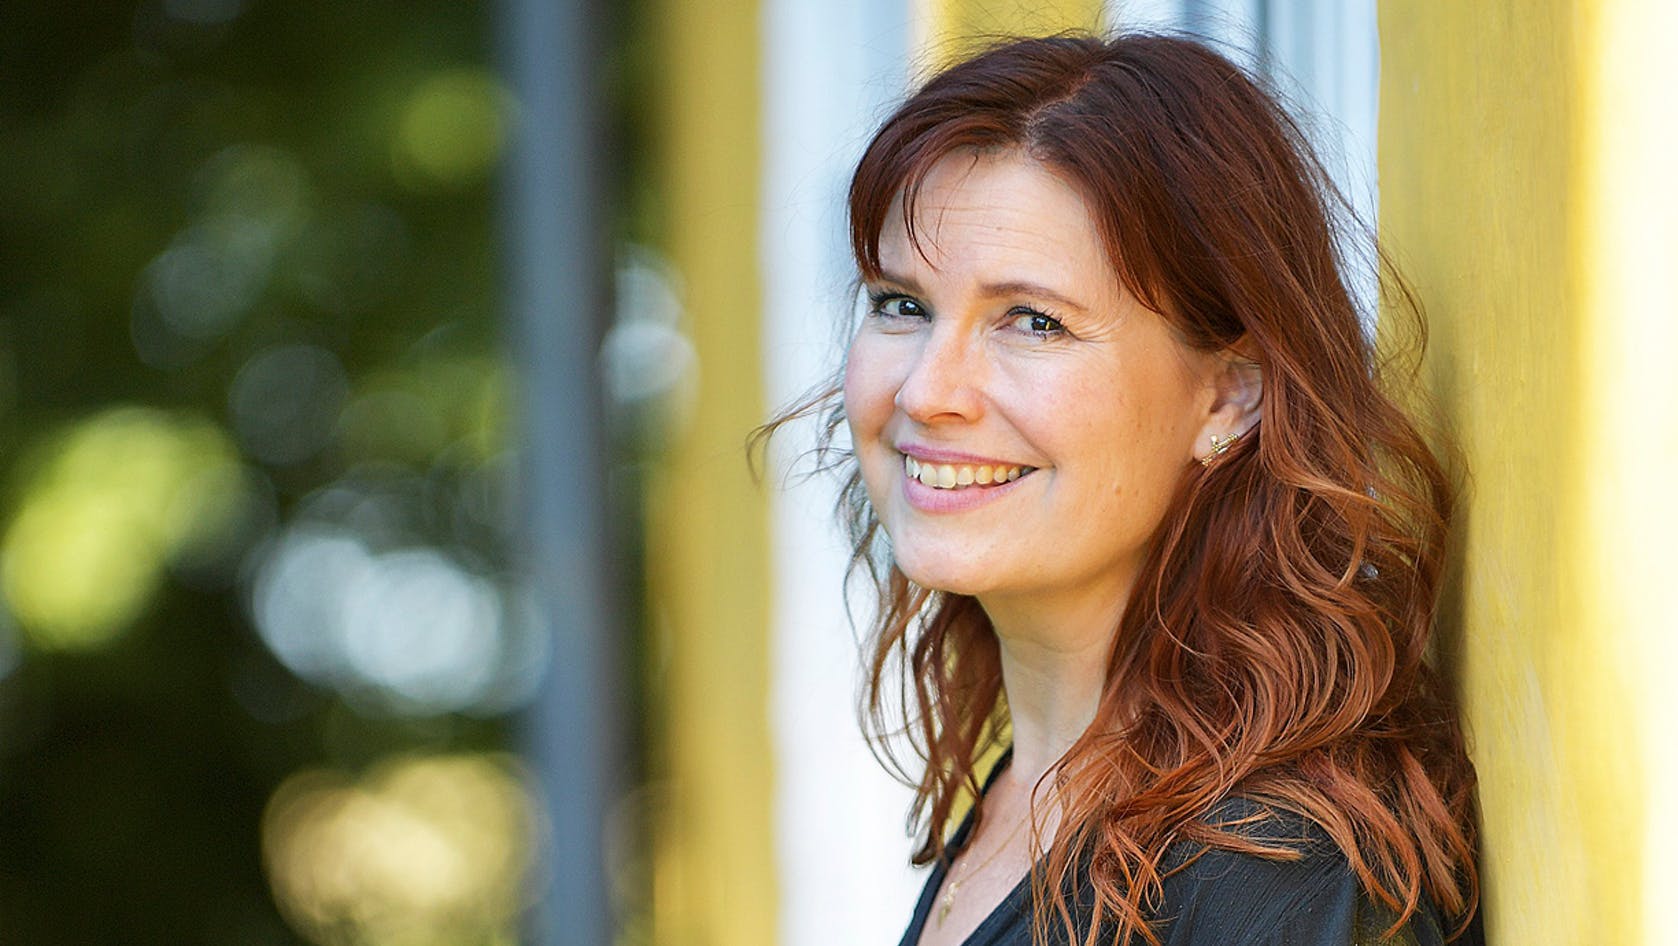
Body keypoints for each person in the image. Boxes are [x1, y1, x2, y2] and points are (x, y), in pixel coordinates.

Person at [764, 32, 1480, 946]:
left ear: (1229, 395)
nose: (925, 392)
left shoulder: (1276, 870)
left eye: (1034, 322)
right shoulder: (1038, 791)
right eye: (901, 305)